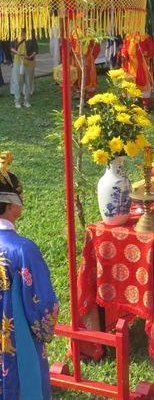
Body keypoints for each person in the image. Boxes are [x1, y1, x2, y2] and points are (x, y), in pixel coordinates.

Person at [0, 167, 59, 399]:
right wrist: (45, 325)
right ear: (12, 205)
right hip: (15, 340)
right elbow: (43, 304)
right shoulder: (22, 249)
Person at [120, 32, 154, 111]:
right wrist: (124, 55)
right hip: (130, 64)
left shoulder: (145, 36)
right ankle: (132, 101)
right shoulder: (128, 36)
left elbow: (152, 49)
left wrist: (146, 56)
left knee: (144, 82)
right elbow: (124, 48)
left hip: (142, 63)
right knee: (130, 82)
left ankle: (145, 105)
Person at [10, 28, 38, 109]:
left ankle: (26, 100)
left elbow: (36, 50)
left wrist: (29, 56)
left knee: (28, 82)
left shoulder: (31, 36)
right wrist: (17, 53)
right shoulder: (15, 35)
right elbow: (11, 47)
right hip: (17, 61)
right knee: (17, 82)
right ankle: (17, 101)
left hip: (29, 62)